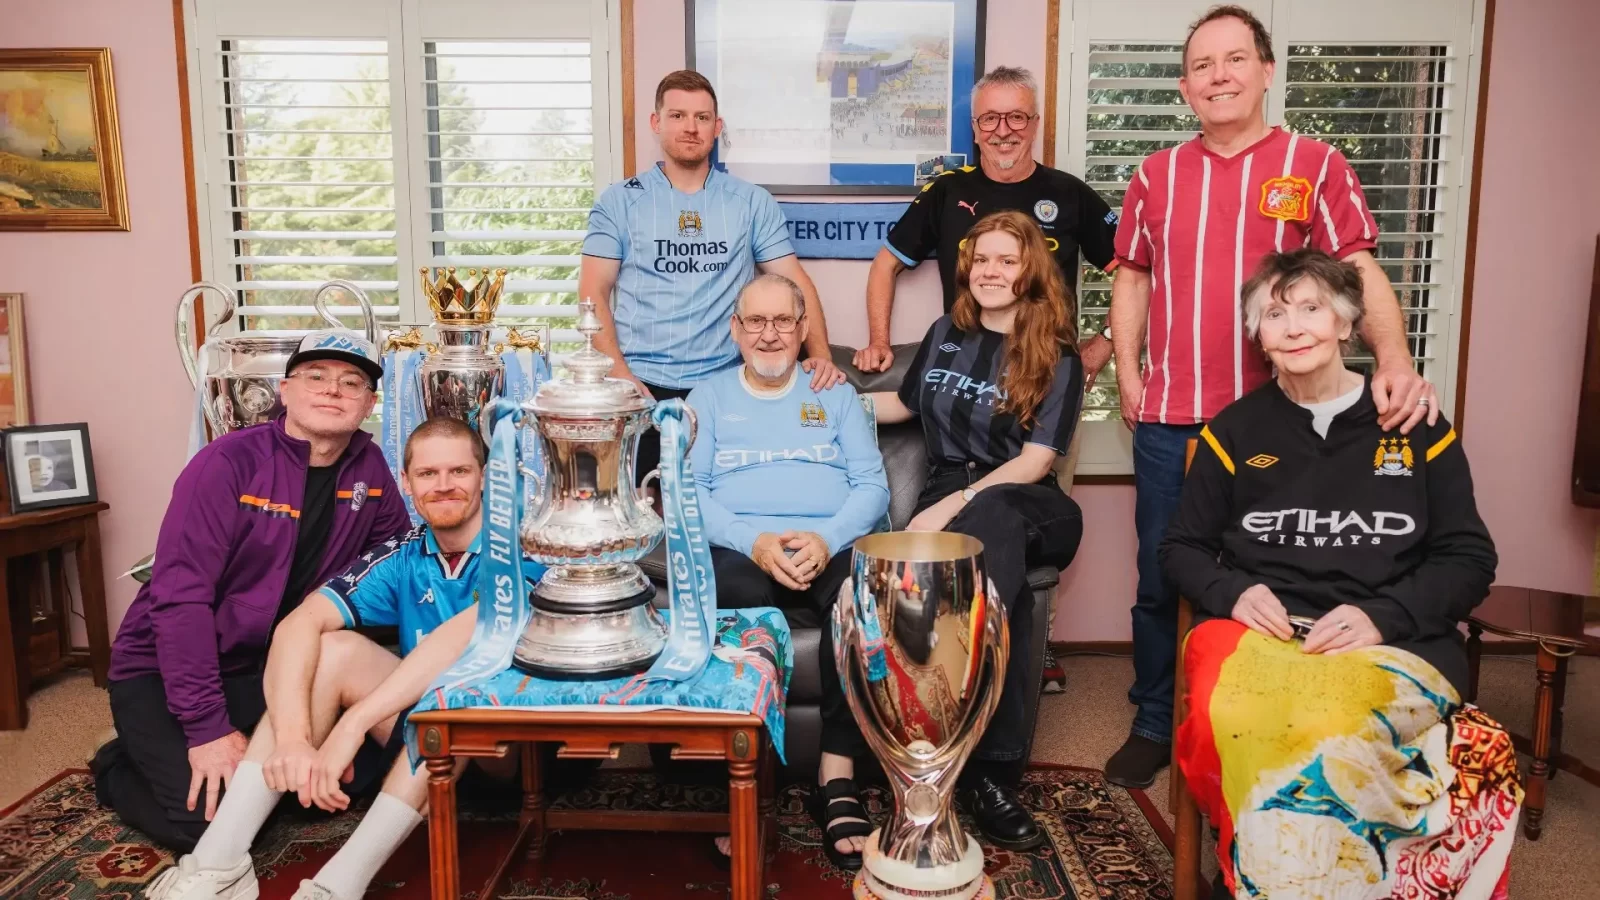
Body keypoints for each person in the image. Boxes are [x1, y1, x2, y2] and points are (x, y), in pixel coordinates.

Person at [1103, 4, 1441, 789]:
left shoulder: (1316, 165)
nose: (1218, 76)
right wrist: (1128, 374)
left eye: (1233, 60)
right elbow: (1132, 278)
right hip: (1172, 417)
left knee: (1289, 569)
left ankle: (1262, 714)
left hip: (1289, 419)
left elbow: (1358, 272)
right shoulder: (1155, 174)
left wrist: (1393, 360)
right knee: (1163, 575)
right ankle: (1157, 718)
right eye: (1201, 66)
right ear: (1185, 87)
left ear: (1265, 70)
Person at [1160, 249, 1521, 899]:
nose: (1294, 327)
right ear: (1258, 336)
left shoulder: (1415, 426)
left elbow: (1469, 558)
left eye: (1311, 308)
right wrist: (1234, 592)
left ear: (1348, 325)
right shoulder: (1234, 431)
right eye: (1274, 313)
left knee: (1362, 735)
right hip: (1263, 634)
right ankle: (1269, 872)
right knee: (1240, 715)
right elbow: (1181, 547)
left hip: (1394, 632)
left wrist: (1381, 616)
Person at [141, 417, 541, 900]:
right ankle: (218, 864)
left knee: (458, 691)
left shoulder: (524, 549)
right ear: (407, 482)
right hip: (422, 743)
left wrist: (353, 725)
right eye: (428, 474)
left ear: (484, 477)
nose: (443, 485)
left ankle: (337, 887)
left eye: (458, 471)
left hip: (516, 748)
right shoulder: (404, 554)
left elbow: (467, 641)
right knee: (331, 648)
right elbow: (298, 624)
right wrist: (292, 738)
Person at [93, 331, 412, 852]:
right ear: (285, 391)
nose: (333, 390)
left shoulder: (370, 471)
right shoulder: (226, 464)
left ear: (369, 404)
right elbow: (180, 601)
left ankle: (230, 749)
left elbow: (391, 573)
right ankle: (119, 760)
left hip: (267, 665)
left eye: (351, 383)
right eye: (316, 377)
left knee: (350, 779)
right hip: (166, 667)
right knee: (214, 826)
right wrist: (206, 730)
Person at [867, 211, 1084, 850]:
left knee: (989, 526)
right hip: (950, 501)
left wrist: (947, 506)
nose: (990, 271)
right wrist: (811, 395)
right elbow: (902, 404)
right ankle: (956, 758)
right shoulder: (946, 332)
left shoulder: (1056, 354)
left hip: (1026, 502)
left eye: (1006, 261)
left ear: (1030, 272)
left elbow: (1036, 460)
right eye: (981, 259)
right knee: (989, 596)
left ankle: (991, 774)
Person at [687, 273, 890, 871]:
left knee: (861, 595)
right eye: (756, 321)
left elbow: (873, 488)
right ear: (736, 329)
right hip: (741, 549)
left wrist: (826, 541)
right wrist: (754, 541)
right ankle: (744, 779)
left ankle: (837, 775)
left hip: (828, 544)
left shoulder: (835, 393)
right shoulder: (708, 397)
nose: (769, 334)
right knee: (740, 600)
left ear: (804, 331)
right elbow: (689, 492)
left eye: (782, 322)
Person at [579, 69, 845, 486]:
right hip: (642, 387)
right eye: (678, 115)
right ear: (656, 122)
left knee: (726, 504)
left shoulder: (751, 202)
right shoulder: (618, 202)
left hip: (726, 384)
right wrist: (620, 374)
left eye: (702, 118)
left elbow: (795, 283)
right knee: (645, 515)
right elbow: (592, 292)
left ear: (717, 128)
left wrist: (823, 357)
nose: (691, 127)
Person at [853, 66, 1119, 388]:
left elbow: (1134, 273)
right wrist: (879, 341)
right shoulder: (946, 191)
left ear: (1035, 125)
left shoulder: (1071, 193)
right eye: (990, 118)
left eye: (1017, 117)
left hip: (1049, 371)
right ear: (975, 129)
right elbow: (886, 264)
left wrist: (1106, 340)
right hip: (963, 370)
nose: (1003, 131)